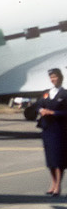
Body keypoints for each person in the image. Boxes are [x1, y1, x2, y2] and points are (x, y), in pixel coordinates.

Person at [37, 68, 67, 197]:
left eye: (55, 77)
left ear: (60, 78)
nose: (53, 79)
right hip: (47, 129)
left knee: (59, 159)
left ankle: (58, 186)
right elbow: (38, 105)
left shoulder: (65, 94)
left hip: (59, 130)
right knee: (50, 159)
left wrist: (53, 112)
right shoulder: (46, 93)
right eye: (51, 77)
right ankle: (52, 183)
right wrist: (41, 110)